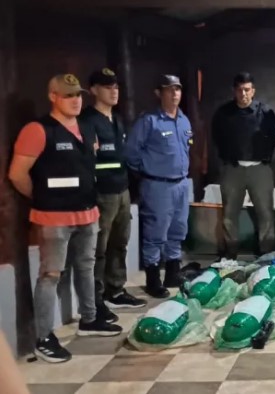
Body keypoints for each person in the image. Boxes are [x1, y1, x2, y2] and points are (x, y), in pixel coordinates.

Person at [8, 74, 122, 364]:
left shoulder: (86, 127)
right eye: (68, 95)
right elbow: (17, 174)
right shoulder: (38, 130)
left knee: (86, 266)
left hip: (88, 212)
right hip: (53, 216)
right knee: (51, 275)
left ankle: (90, 318)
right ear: (53, 96)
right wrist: (43, 196)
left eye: (78, 95)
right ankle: (44, 337)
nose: (75, 100)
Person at [80, 68, 147, 323]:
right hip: (102, 192)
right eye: (107, 87)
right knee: (99, 248)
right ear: (94, 90)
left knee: (120, 242)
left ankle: (115, 289)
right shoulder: (88, 121)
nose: (114, 91)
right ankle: (96, 299)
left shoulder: (117, 120)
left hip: (122, 189)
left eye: (116, 86)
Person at [125, 75, 192, 299]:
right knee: (155, 234)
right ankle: (153, 280)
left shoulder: (184, 120)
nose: (174, 94)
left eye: (177, 89)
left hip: (181, 184)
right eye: (169, 89)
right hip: (158, 185)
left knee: (178, 231)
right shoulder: (149, 121)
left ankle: (172, 274)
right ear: (158, 93)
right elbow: (131, 153)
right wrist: (148, 171)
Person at [212, 72, 275, 259]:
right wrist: (226, 157)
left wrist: (265, 157)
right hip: (233, 169)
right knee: (229, 214)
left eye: (247, 90)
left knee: (265, 213)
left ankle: (266, 253)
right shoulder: (223, 113)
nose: (243, 94)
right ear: (234, 91)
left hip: (259, 169)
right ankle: (230, 254)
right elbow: (216, 137)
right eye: (240, 90)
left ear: (253, 91)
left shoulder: (265, 112)